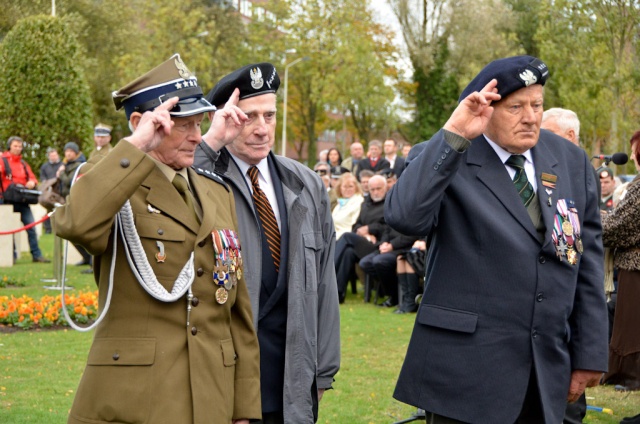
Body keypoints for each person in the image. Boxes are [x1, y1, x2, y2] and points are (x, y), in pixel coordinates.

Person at [386, 55, 608, 423]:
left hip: (547, 371)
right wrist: (454, 135)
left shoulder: (569, 159)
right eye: (516, 106)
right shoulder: (447, 154)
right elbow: (404, 218)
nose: (531, 117)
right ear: (486, 109)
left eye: (537, 104)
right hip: (466, 374)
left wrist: (589, 353)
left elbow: (584, 260)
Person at [52, 54, 261, 424]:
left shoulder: (215, 191)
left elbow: (237, 310)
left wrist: (243, 406)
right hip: (138, 397)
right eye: (184, 125)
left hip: (212, 394)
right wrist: (138, 145)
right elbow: (77, 225)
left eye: (200, 123)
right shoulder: (109, 181)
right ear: (141, 123)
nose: (198, 135)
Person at [193, 62, 340, 424]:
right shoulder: (204, 178)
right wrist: (209, 143)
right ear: (225, 119)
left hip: (291, 374)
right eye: (248, 117)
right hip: (225, 372)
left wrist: (324, 370)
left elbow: (324, 281)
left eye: (270, 116)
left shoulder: (305, 183)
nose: (262, 129)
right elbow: (172, 186)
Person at [601, 130, 640, 394]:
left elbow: (619, 225)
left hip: (636, 265)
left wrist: (594, 217)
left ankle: (631, 377)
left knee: (631, 325)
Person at [333, 174, 387, 303]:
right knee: (348, 253)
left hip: (379, 244)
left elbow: (387, 226)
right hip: (364, 242)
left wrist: (370, 229)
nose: (375, 192)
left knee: (346, 237)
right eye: (372, 189)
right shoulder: (366, 205)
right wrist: (362, 231)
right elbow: (357, 224)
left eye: (378, 188)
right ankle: (338, 294)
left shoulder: (388, 205)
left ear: (385, 188)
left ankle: (328, 272)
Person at [0, 136, 50, 263]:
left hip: (22, 200)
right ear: (9, 146)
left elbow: (32, 178)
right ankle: (11, 256)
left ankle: (36, 254)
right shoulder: (2, 160)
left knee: (31, 227)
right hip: (6, 200)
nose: (18, 148)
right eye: (15, 146)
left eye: (20, 146)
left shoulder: (23, 164)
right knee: (8, 230)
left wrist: (32, 182)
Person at [56, 141, 92, 268]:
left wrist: (61, 173)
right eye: (66, 151)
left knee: (78, 231)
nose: (68, 153)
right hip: (68, 200)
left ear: (76, 153)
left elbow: (68, 181)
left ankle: (91, 259)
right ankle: (86, 257)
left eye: (71, 151)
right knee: (69, 232)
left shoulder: (79, 165)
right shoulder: (66, 165)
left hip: (78, 202)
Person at [332, 173, 364, 240]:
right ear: (340, 188)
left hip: (346, 239)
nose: (347, 189)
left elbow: (354, 227)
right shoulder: (339, 204)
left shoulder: (359, 202)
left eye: (350, 186)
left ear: (356, 187)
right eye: (345, 186)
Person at [39, 147, 63, 234]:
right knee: (49, 209)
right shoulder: (45, 166)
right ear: (49, 156)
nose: (53, 157)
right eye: (51, 156)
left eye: (55, 155)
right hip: (48, 191)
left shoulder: (62, 165)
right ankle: (48, 229)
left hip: (59, 191)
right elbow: (42, 177)